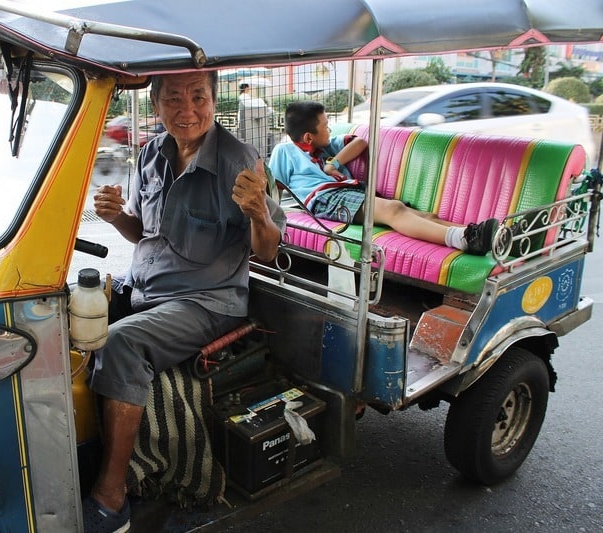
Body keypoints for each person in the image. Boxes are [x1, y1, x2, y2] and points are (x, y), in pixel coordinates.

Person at [86, 70, 285, 533]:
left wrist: (258, 212)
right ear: (156, 107)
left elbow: (267, 250)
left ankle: (110, 499)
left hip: (206, 302)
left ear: (215, 102)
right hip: (147, 290)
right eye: (174, 99)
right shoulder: (152, 153)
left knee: (119, 343)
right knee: (65, 317)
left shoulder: (241, 161)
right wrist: (118, 218)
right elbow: (145, 233)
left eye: (198, 97)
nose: (187, 109)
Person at [269, 101, 500, 255]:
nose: (330, 131)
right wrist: (275, 221)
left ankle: (485, 236)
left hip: (350, 191)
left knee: (425, 214)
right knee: (393, 210)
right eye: (326, 127)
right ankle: (461, 239)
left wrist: (333, 164)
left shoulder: (328, 148)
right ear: (309, 137)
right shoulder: (285, 151)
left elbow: (360, 142)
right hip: (325, 198)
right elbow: (273, 188)